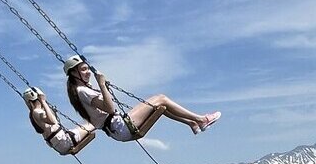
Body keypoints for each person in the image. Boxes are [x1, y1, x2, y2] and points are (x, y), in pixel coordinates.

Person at [62, 55, 220, 142]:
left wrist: (103, 88)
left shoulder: (80, 91)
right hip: (120, 127)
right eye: (83, 70)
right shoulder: (83, 90)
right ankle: (201, 119)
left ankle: (191, 123)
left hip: (117, 128)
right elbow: (109, 109)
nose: (88, 72)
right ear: (74, 74)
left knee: (159, 107)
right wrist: (102, 85)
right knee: (161, 98)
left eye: (87, 69)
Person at [23, 86, 96, 156]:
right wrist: (43, 101)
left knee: (90, 131)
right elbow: (52, 121)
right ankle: (76, 149)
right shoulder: (37, 112)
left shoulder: (35, 113)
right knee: (93, 123)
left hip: (60, 145)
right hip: (64, 141)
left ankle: (74, 149)